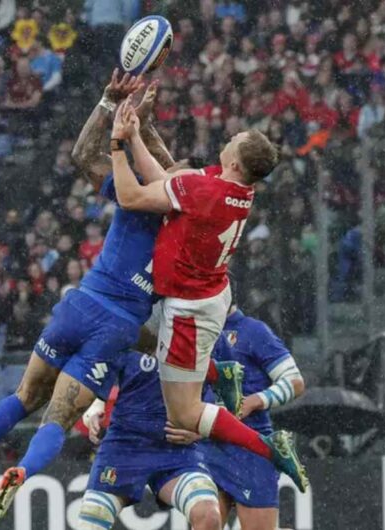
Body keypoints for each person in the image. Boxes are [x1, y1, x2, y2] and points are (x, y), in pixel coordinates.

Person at [0, 71, 242, 523]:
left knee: (24, 395)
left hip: (80, 304)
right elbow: (179, 183)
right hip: (117, 325)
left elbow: (84, 156)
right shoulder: (189, 234)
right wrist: (144, 127)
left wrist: (110, 106)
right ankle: (21, 470)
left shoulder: (134, 195)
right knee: (56, 419)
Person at [109, 100, 308, 491]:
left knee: (184, 416)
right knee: (124, 329)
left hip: (189, 310)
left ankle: (271, 447)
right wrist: (135, 138)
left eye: (236, 139)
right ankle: (221, 373)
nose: (231, 136)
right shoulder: (230, 185)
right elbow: (163, 183)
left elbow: (133, 196)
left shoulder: (206, 190)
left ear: (235, 162)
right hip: (206, 294)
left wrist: (118, 145)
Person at [168, 302, 306, 529]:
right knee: (205, 522)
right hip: (206, 448)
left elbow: (295, 381)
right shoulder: (194, 333)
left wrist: (254, 401)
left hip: (251, 450)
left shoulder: (254, 331)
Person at [79, 349, 223, 530]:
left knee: (209, 516)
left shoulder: (207, 330)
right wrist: (93, 409)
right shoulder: (130, 329)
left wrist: (203, 430)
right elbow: (97, 378)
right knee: (90, 524)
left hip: (177, 449)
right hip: (124, 446)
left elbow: (229, 395)